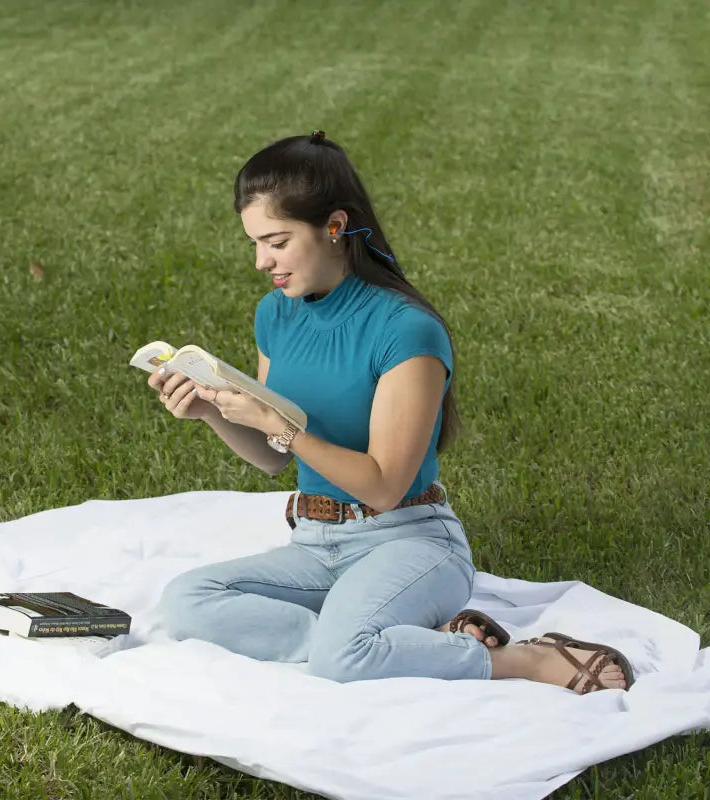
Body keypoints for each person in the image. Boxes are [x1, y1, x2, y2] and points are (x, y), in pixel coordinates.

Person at [149, 131, 633, 694]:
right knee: (186, 601)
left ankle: (526, 661)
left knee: (341, 658)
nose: (262, 262)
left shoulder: (406, 330)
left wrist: (278, 426)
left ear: (333, 227)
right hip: (315, 541)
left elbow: (382, 487)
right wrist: (211, 412)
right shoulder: (275, 315)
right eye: (255, 243)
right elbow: (273, 461)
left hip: (409, 541)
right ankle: (405, 641)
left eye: (277, 242)